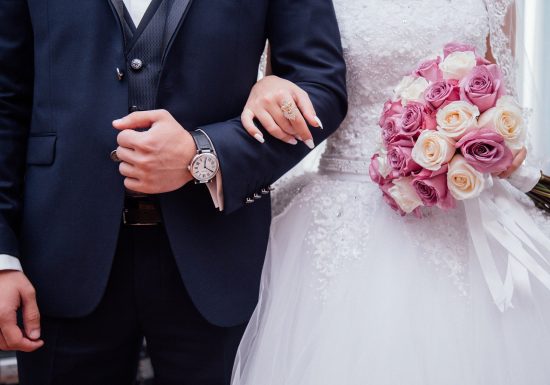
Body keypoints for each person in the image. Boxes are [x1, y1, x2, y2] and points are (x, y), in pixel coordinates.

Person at [0, 0, 347, 384]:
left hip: (217, 253)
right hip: (60, 251)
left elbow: (320, 88)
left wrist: (205, 154)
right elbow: (5, 98)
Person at [231, 0, 550, 384]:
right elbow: (289, 95)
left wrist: (485, 143)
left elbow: (500, 90)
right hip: (343, 215)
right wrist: (265, 86)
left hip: (462, 208)